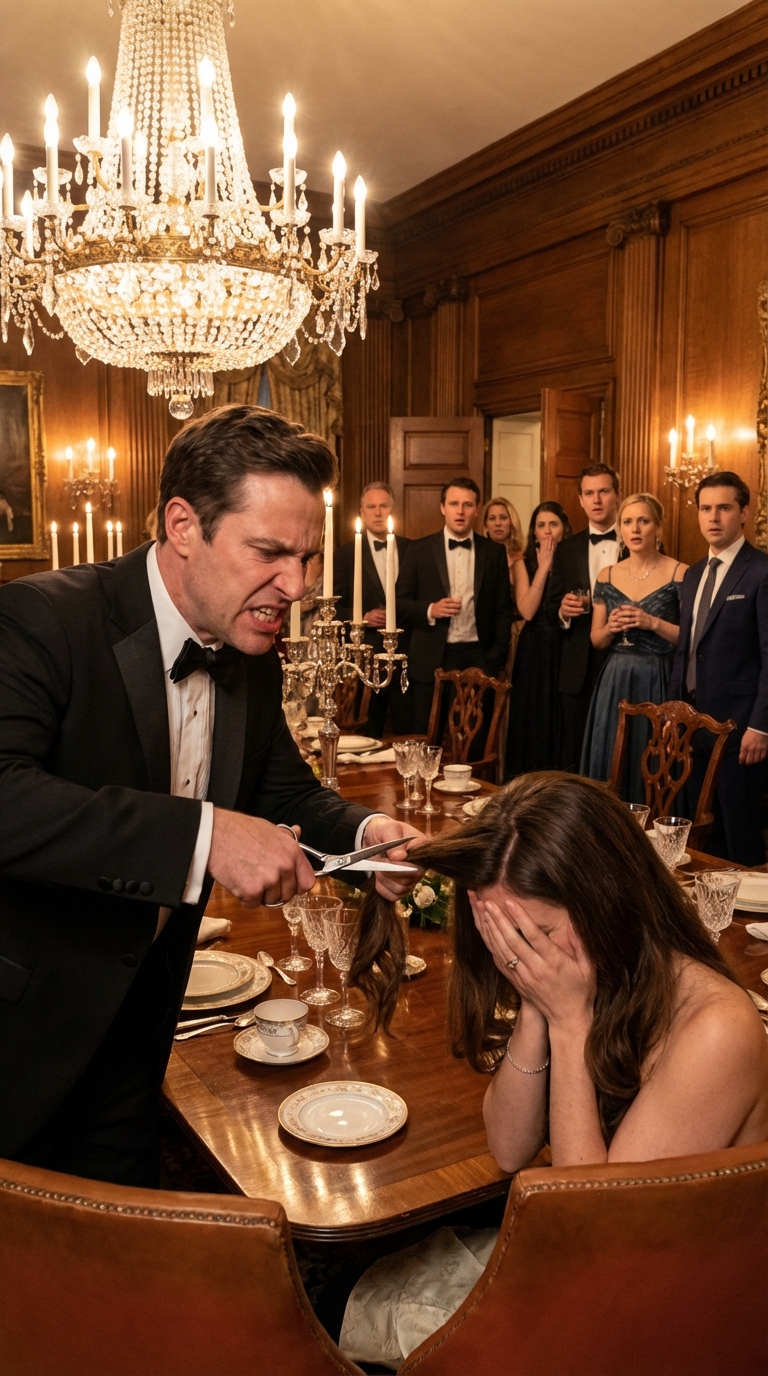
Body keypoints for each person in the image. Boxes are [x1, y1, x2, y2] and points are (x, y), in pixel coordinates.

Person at [0, 404, 419, 1187]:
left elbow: (282, 786)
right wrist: (206, 835)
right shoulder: (43, 618)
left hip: (143, 1034)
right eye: (270, 552)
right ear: (183, 525)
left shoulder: (248, 645)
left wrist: (366, 835)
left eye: (307, 557)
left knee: (125, 1241)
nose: (297, 585)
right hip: (24, 1030)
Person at [341, 773, 768, 1369]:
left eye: (536, 934)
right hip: (605, 1262)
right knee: (370, 1290)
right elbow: (509, 1146)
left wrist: (569, 1023)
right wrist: (538, 1006)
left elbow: (596, 1237)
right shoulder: (600, 972)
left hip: (671, 1309)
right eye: (507, 937)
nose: (519, 955)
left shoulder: (715, 1028)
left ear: (607, 898)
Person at [669, 472, 768, 865]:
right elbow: (685, 649)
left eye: (724, 508)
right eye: (705, 508)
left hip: (741, 728)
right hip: (693, 724)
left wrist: (761, 726)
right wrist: (673, 713)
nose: (713, 517)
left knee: (739, 832)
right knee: (699, 831)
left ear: (744, 513)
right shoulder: (693, 573)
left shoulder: (761, 571)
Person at [581, 494, 686, 800]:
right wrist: (610, 629)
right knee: (611, 758)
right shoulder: (607, 574)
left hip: (658, 676)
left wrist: (652, 623)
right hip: (615, 679)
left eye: (644, 521)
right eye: (627, 522)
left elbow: (691, 639)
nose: (635, 529)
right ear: (620, 529)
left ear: (658, 527)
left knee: (652, 759)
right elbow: (596, 639)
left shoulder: (680, 572)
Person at [396, 478, 513, 735]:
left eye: (467, 505)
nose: (460, 511)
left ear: (477, 509)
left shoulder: (493, 552)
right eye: (453, 504)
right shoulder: (419, 549)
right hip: (432, 656)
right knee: (428, 737)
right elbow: (399, 603)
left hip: (480, 656)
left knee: (476, 739)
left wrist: (496, 656)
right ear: (442, 507)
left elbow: (503, 609)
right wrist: (431, 610)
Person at [546, 463, 623, 771]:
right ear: (580, 499)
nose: (597, 500)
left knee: (620, 750)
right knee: (576, 752)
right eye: (589, 493)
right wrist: (562, 611)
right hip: (577, 665)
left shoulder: (637, 540)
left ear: (617, 494)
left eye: (604, 491)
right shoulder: (567, 549)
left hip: (623, 658)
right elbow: (550, 606)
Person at [334, 482, 411, 735]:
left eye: (383, 506)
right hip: (363, 658)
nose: (378, 513)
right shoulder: (345, 555)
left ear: (392, 509)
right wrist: (362, 617)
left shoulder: (412, 549)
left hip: (405, 656)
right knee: (366, 733)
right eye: (371, 507)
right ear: (361, 511)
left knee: (407, 732)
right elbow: (333, 608)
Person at [504, 502, 572, 779]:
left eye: (553, 524)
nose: (547, 531)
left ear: (564, 528)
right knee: (531, 718)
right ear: (533, 532)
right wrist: (543, 567)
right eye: (541, 525)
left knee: (561, 720)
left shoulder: (574, 557)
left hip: (565, 644)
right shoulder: (523, 561)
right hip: (533, 648)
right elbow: (527, 610)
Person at [482, 496, 524, 615]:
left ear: (512, 522)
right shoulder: (478, 557)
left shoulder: (522, 557)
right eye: (492, 518)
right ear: (486, 525)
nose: (498, 523)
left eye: (503, 518)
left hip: (518, 620)